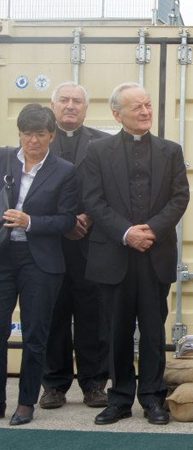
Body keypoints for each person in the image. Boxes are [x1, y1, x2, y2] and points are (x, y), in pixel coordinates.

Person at [83, 82, 190, 426]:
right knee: (115, 330)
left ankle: (153, 397)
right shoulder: (97, 152)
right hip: (114, 254)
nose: (145, 112)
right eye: (137, 108)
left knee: (154, 331)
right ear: (117, 114)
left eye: (147, 105)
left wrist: (152, 230)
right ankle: (119, 398)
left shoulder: (171, 151)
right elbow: (93, 200)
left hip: (155, 254)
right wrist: (127, 233)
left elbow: (179, 197)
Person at [0, 104, 78, 425]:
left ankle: (27, 403)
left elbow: (67, 220)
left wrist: (30, 221)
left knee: (35, 335)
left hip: (40, 261)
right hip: (4, 257)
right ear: (19, 134)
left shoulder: (64, 170)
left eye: (40, 135)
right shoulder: (4, 158)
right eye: (27, 134)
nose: (33, 141)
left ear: (52, 136)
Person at [39, 82, 110, 410]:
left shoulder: (104, 144)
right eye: (64, 100)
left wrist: (88, 218)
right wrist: (65, 221)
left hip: (91, 245)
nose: (70, 106)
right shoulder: (37, 143)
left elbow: (112, 191)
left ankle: (95, 383)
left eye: (76, 101)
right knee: (53, 315)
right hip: (50, 245)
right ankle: (53, 384)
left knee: (91, 316)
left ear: (86, 107)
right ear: (52, 106)